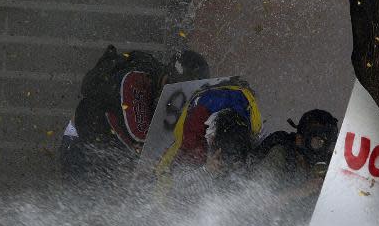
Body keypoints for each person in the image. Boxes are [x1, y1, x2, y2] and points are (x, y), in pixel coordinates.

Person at [59, 45, 210, 179]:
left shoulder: (160, 85)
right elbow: (142, 141)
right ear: (171, 81)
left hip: (106, 145)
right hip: (80, 143)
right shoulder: (135, 83)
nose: (181, 104)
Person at [152, 77, 262, 199]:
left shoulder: (251, 130)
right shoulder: (195, 139)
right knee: (166, 184)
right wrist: (206, 170)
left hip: (237, 98)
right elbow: (178, 183)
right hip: (205, 105)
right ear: (212, 141)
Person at [253, 109, 339, 223]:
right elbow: (256, 204)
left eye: (329, 145)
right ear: (299, 140)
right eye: (318, 142)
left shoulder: (330, 163)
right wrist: (300, 191)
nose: (324, 150)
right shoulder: (281, 154)